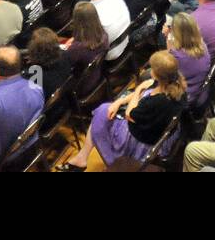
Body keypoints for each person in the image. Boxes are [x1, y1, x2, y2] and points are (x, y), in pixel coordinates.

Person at [57, 50, 185, 171]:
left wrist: (139, 88)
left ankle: (95, 160)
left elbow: (130, 113)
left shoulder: (154, 101)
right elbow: (145, 92)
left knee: (102, 114)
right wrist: (120, 101)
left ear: (157, 74)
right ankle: (82, 158)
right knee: (106, 108)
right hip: (155, 130)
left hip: (140, 139)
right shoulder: (175, 86)